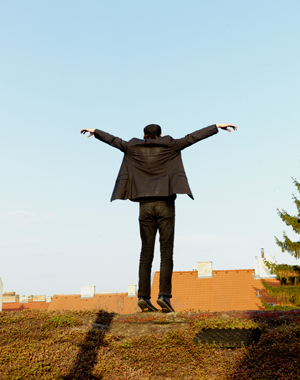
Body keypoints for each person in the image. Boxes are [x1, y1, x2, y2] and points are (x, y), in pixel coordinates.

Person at [81, 123, 237, 313]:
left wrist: (95, 132)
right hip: (165, 205)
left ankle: (143, 297)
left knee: (146, 253)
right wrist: (216, 127)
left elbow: (114, 141)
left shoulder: (132, 147)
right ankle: (164, 296)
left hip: (144, 206)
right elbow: (192, 137)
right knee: (166, 252)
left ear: (144, 135)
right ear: (160, 134)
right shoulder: (170, 144)